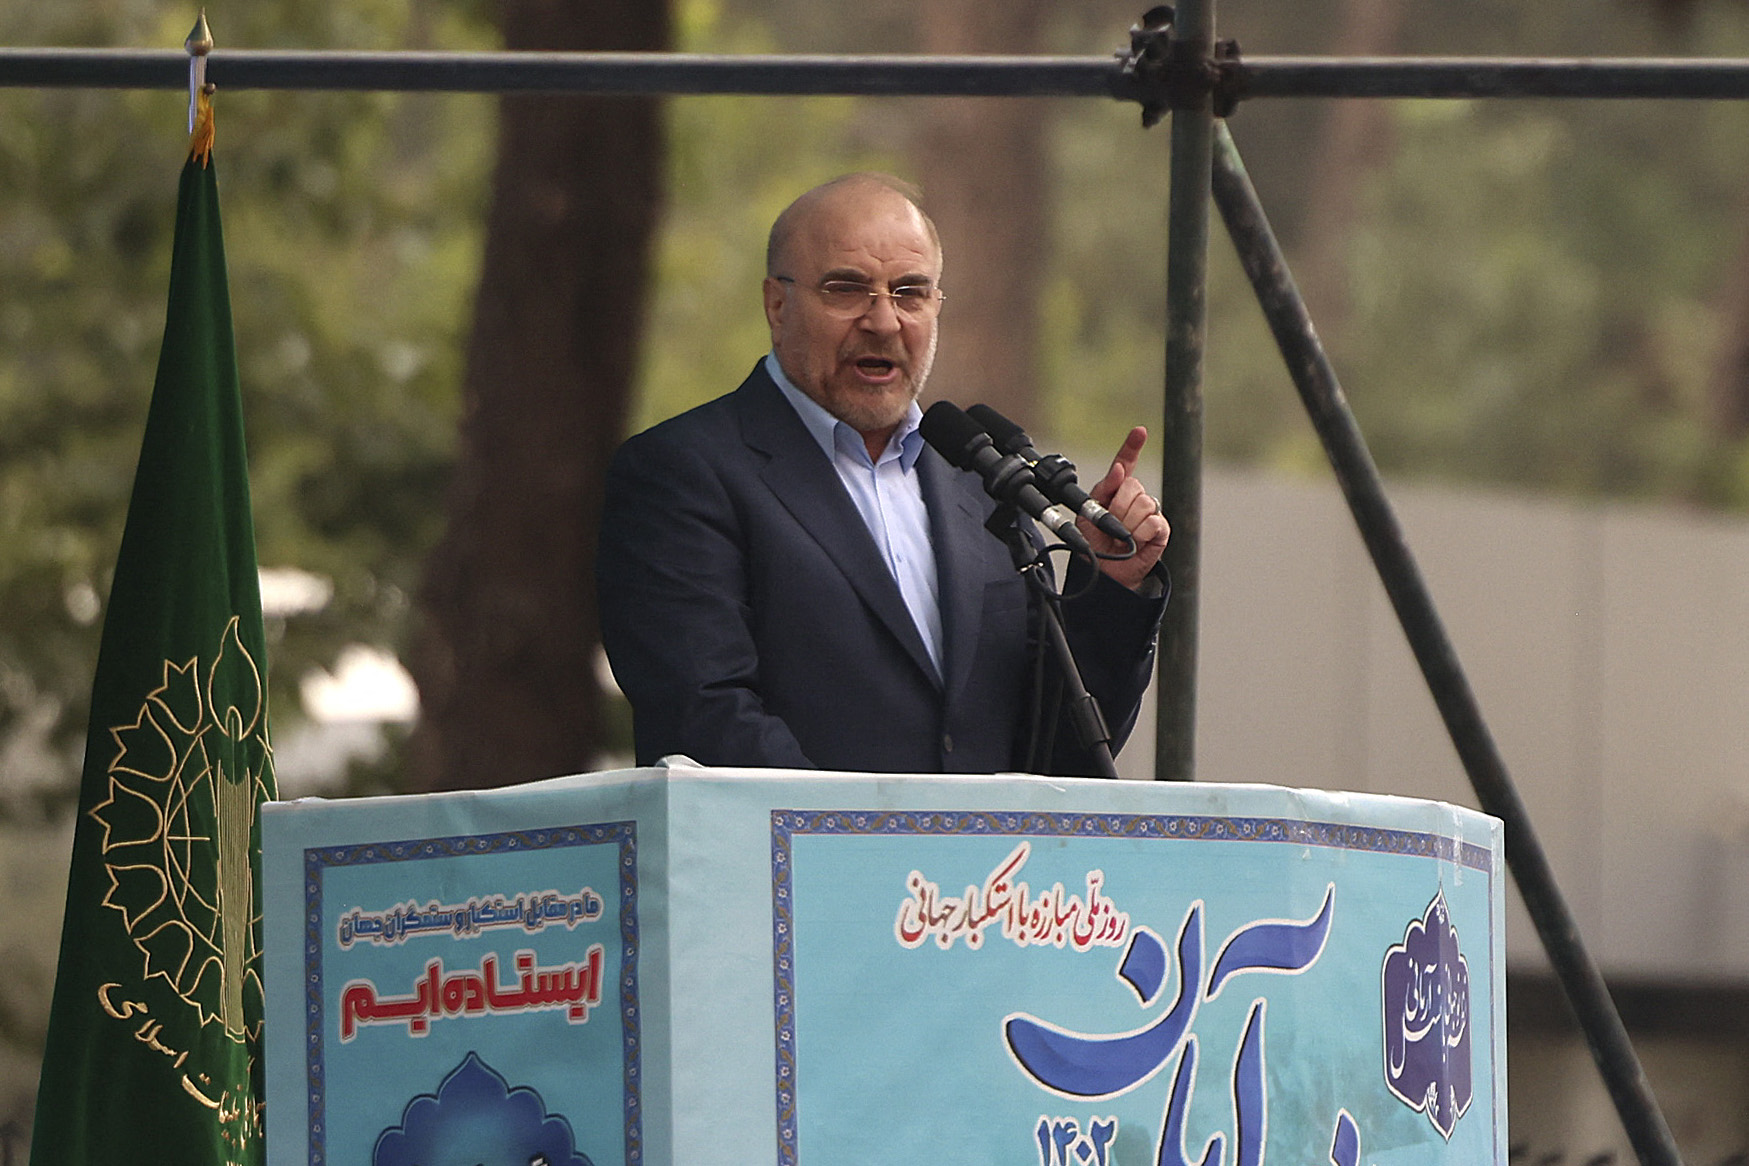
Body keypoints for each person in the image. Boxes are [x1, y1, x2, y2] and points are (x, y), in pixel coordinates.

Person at [597, 173, 1169, 776]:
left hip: (985, 870)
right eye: (847, 290)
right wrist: (874, 848)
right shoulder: (682, 472)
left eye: (910, 293)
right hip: (789, 865)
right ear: (776, 304)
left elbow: (1056, 752)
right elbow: (706, 721)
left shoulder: (981, 482)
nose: (884, 321)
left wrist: (1112, 586)